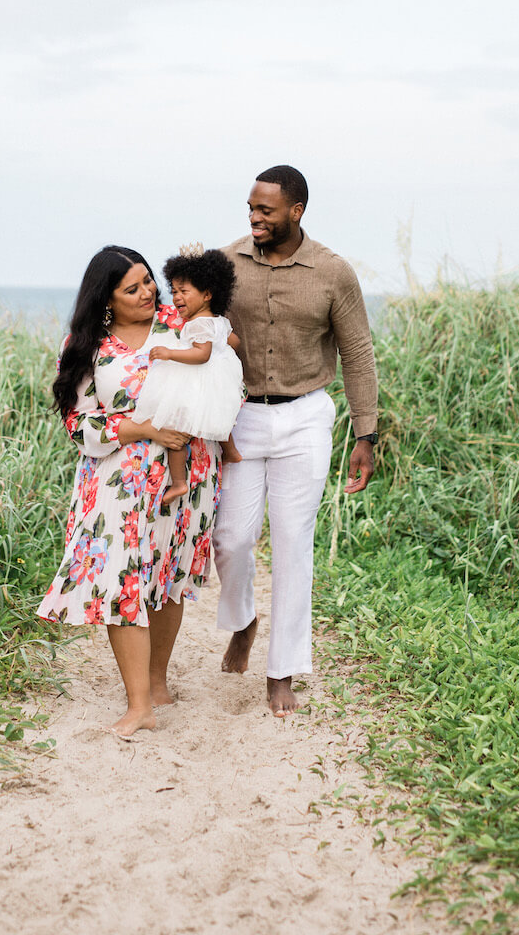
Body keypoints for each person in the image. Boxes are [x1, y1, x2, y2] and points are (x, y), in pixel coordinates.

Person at [37, 245, 222, 739]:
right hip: (115, 479)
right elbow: (78, 422)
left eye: (147, 282)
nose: (147, 293)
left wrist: (185, 424)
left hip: (185, 475)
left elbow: (223, 377)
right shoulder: (86, 344)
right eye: (131, 288)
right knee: (120, 580)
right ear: (106, 298)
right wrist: (142, 429)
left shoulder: (179, 324)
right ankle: (139, 704)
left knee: (168, 575)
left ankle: (157, 683)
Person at [214, 165, 378, 718]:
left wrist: (366, 432)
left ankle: (282, 670)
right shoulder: (227, 263)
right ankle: (242, 621)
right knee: (231, 538)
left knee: (292, 545)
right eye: (251, 209)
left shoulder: (333, 272)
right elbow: (195, 329)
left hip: (306, 418)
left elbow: (357, 353)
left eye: (266, 210)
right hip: (240, 419)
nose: (255, 218)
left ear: (296, 212)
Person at [132, 246, 244, 504]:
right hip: (218, 380)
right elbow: (234, 342)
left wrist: (170, 353)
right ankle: (232, 452)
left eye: (184, 291)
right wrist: (222, 359)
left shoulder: (197, 324)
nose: (176, 298)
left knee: (175, 428)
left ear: (206, 294)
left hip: (197, 379)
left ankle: (179, 483)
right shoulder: (218, 320)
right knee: (219, 418)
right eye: (173, 292)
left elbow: (201, 355)